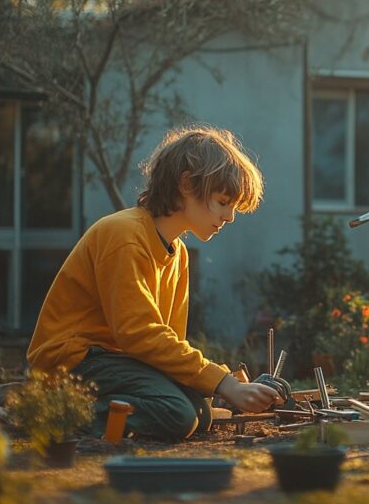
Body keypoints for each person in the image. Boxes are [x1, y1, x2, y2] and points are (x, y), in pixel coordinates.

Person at [26, 126, 279, 441]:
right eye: (222, 201)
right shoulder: (124, 236)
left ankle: (92, 411)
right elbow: (138, 334)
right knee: (176, 413)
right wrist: (223, 383)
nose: (229, 216)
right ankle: (51, 410)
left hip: (119, 363)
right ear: (187, 184)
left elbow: (165, 342)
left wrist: (223, 383)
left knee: (199, 413)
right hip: (75, 360)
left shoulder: (179, 255)